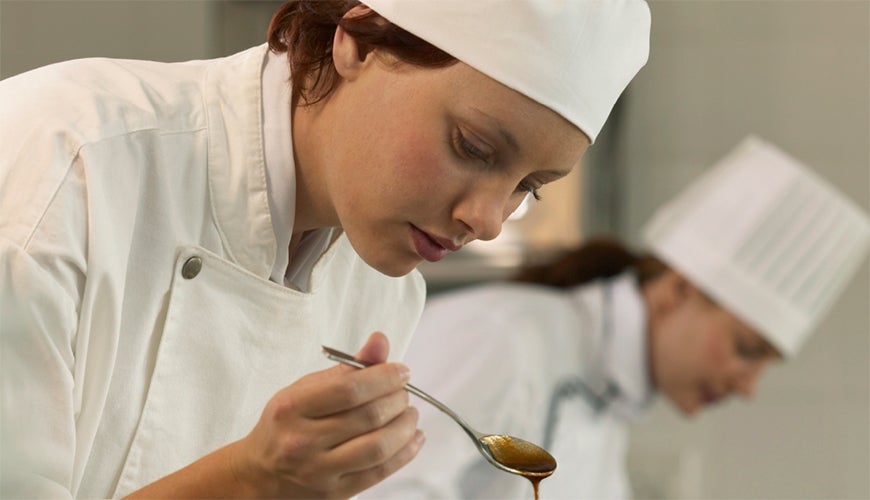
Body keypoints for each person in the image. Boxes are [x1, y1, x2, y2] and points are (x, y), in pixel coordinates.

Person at [0, 0, 650, 498]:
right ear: (358, 41)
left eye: (529, 189)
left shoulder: (383, 286)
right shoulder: (65, 160)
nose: (487, 221)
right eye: (473, 148)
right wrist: (249, 480)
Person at [361, 136, 870, 500]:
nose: (749, 387)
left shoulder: (611, 396)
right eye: (747, 349)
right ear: (679, 289)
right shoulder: (509, 338)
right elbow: (381, 488)